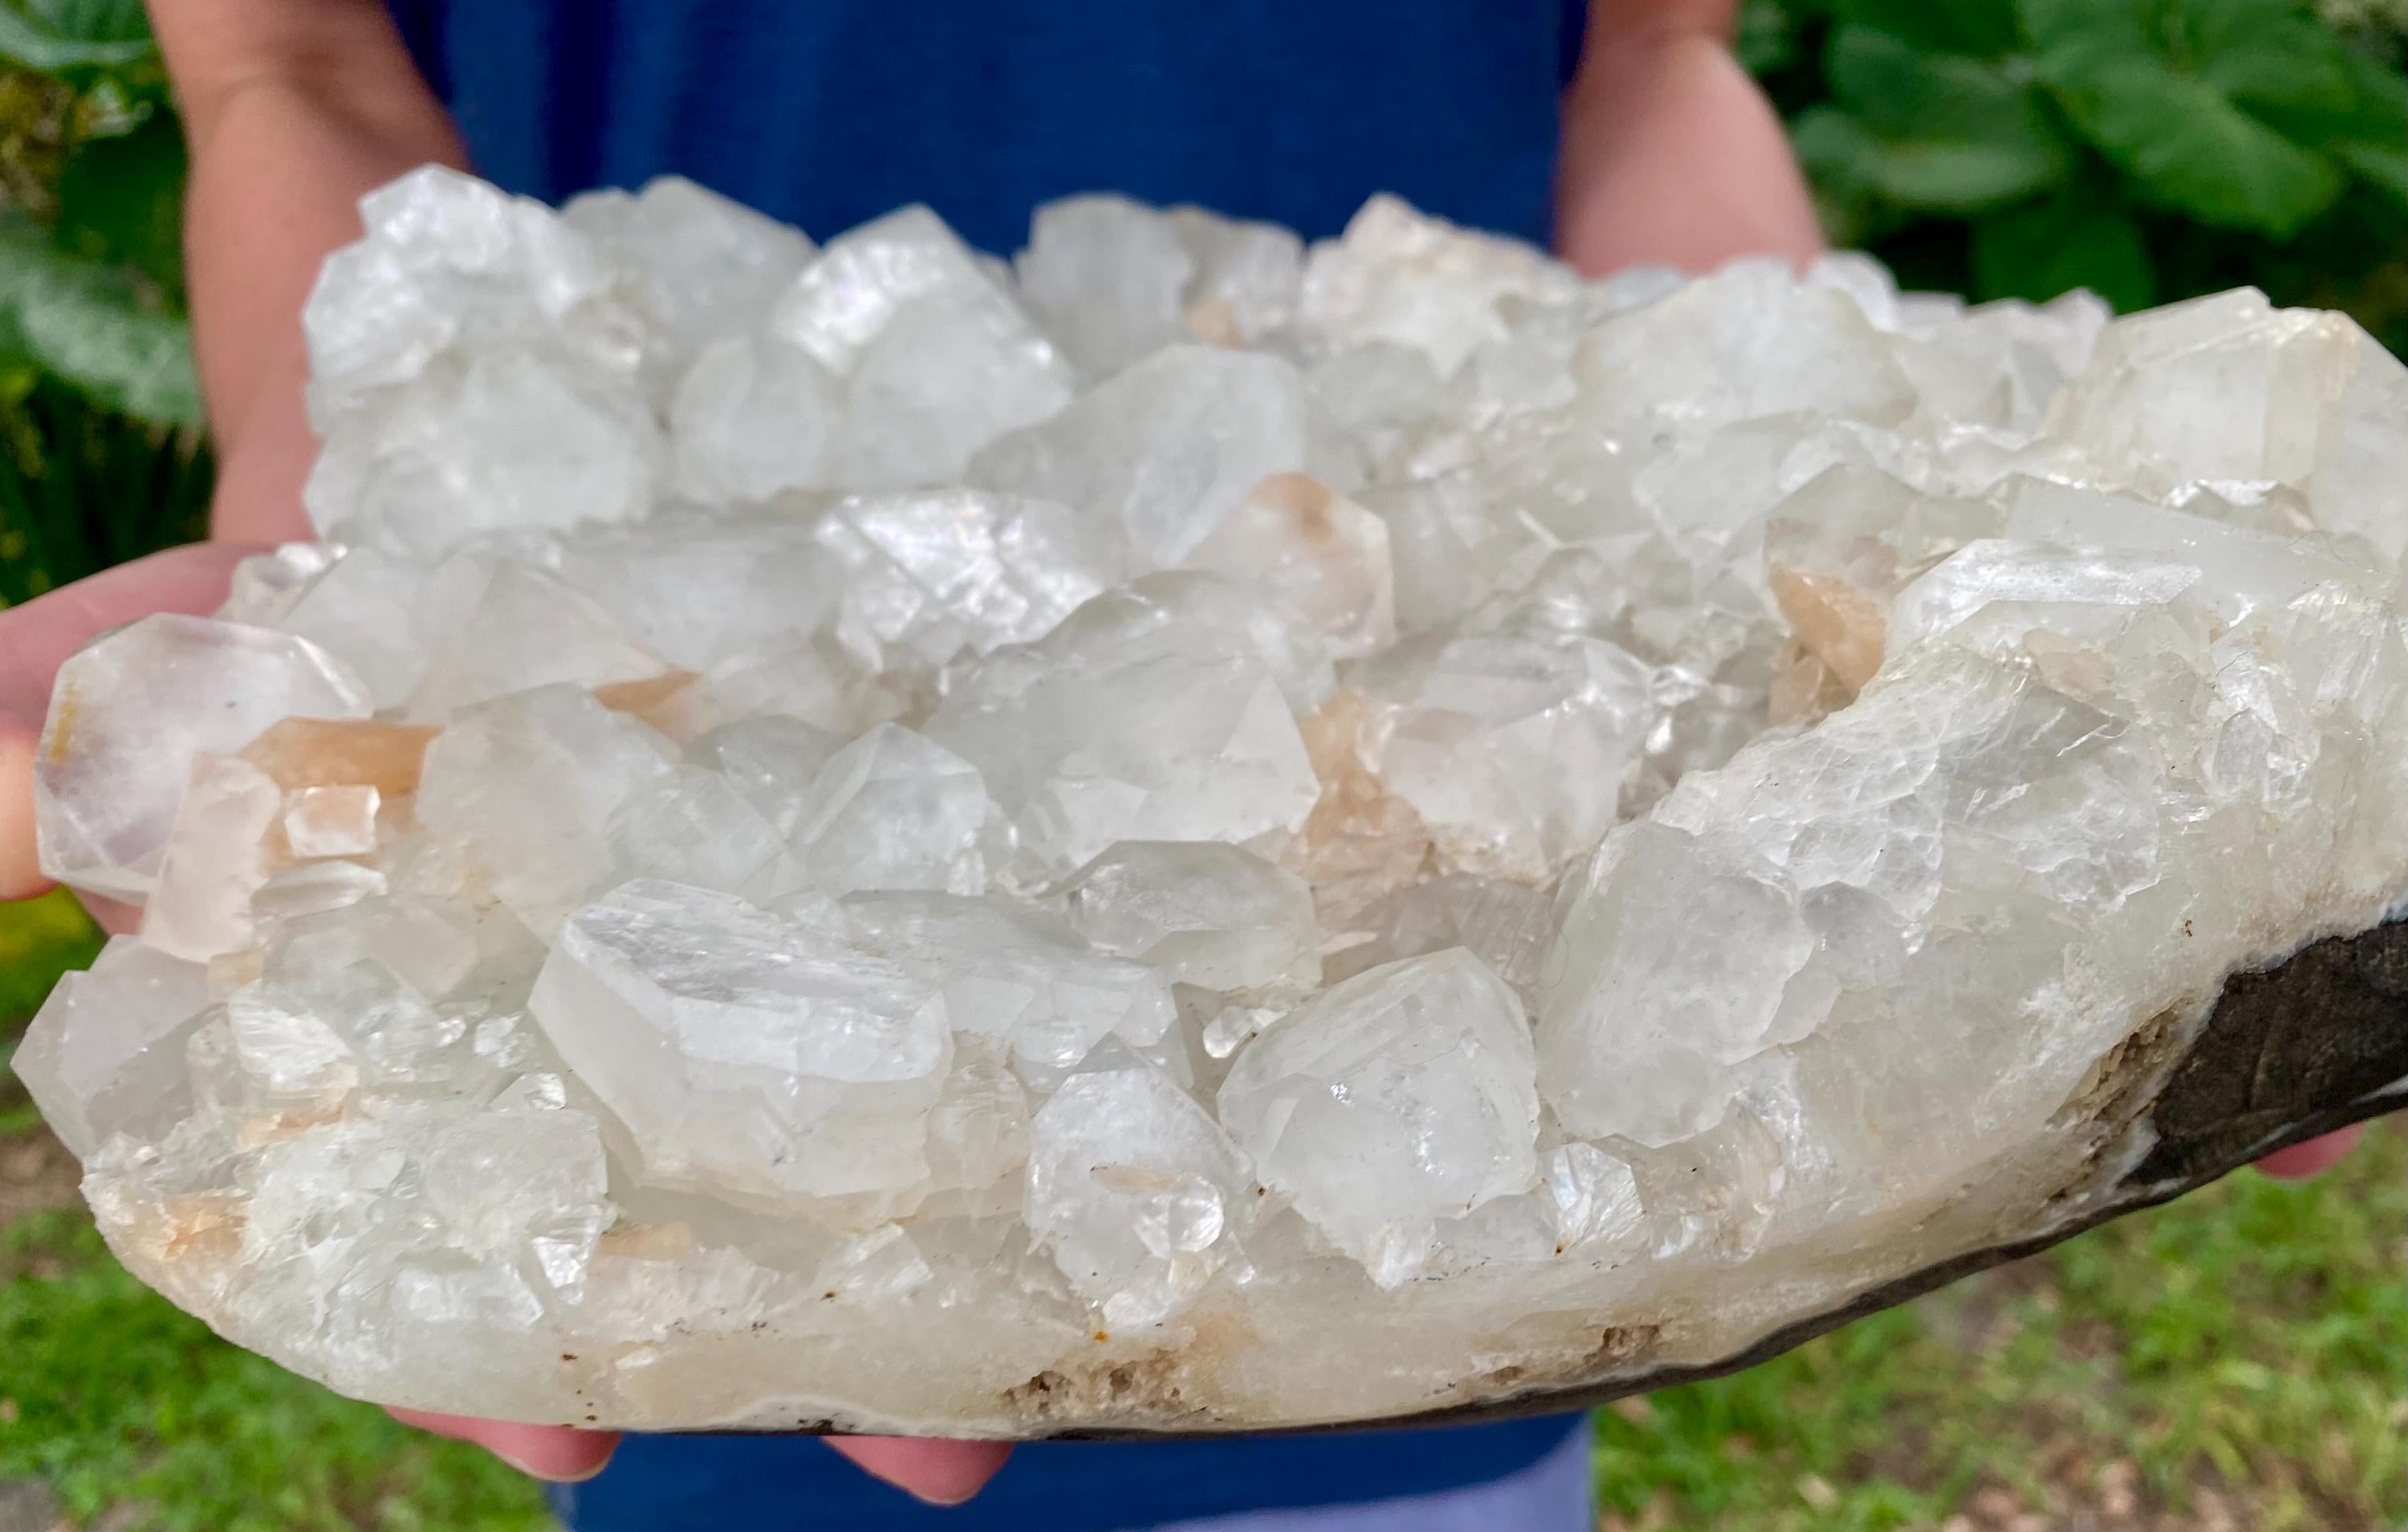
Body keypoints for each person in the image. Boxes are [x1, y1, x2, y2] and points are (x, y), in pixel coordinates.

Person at [0, 2, 2366, 1527]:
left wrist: (1825, 562)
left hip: (1463, 1207)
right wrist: (357, 619)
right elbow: (286, 66)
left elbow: (1643, 59)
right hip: (729, 1104)